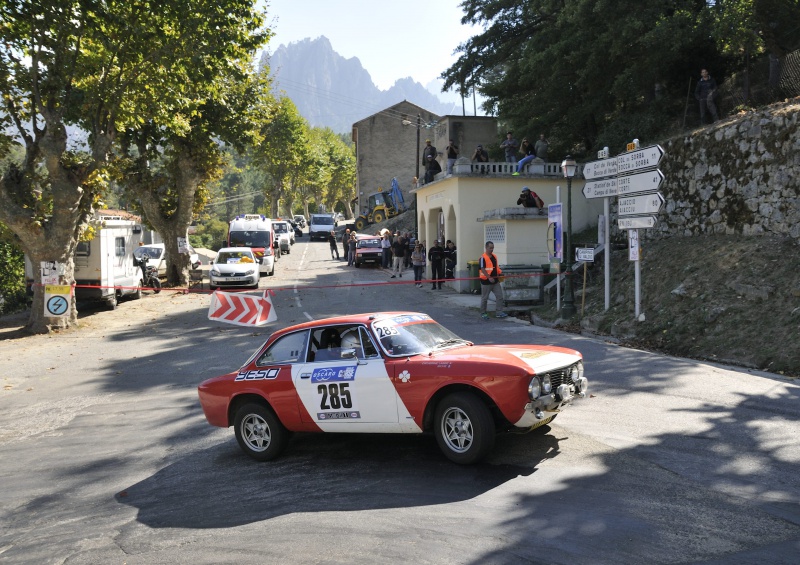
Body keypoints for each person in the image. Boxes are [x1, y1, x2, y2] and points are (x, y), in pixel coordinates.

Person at [479, 241, 508, 319]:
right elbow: (482, 268)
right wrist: (489, 277)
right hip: (486, 281)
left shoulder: (494, 256)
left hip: (495, 281)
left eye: (493, 248)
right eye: (490, 248)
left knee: (500, 296)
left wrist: (500, 273)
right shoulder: (483, 258)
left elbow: (496, 267)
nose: (492, 249)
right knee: (485, 298)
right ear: (486, 248)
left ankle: (499, 312)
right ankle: (483, 313)